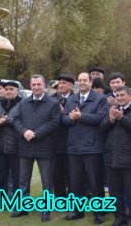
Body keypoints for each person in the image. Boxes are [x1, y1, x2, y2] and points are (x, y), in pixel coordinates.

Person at [9, 74, 60, 222]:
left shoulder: (53, 103)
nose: (36, 87)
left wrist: (36, 134)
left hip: (45, 148)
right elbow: (15, 119)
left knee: (47, 182)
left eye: (39, 84)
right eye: (33, 85)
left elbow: (54, 123)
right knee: (23, 180)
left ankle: (46, 211)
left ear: (44, 85)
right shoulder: (23, 103)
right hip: (25, 146)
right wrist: (24, 131)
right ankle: (23, 208)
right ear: (30, 86)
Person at [62, 72, 108, 224]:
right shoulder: (70, 99)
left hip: (93, 147)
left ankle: (99, 213)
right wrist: (69, 118)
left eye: (84, 80)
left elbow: (101, 119)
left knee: (95, 183)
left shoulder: (100, 99)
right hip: (74, 147)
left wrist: (80, 116)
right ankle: (77, 211)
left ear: (90, 82)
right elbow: (63, 119)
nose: (81, 82)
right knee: (75, 182)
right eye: (79, 80)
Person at [99, 86, 131, 226]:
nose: (119, 98)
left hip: (128, 160)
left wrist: (121, 118)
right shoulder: (113, 109)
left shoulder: (125, 112)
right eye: (117, 95)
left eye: (122, 95)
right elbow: (102, 128)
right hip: (112, 159)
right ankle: (119, 217)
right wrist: (111, 120)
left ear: (129, 95)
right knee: (114, 192)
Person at [0, 81, 22, 208]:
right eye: (6, 89)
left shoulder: (22, 104)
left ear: (17, 91)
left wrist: (6, 121)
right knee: (0, 175)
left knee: (17, 176)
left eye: (11, 89)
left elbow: (23, 120)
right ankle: (1, 200)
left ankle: (17, 201)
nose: (8, 91)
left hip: (16, 145)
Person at [50, 74, 75, 198]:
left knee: (72, 174)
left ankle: (72, 199)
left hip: (71, 141)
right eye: (59, 83)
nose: (61, 85)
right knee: (56, 174)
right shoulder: (52, 99)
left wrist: (63, 112)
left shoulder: (76, 99)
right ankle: (60, 198)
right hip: (55, 142)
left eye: (64, 83)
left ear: (71, 85)